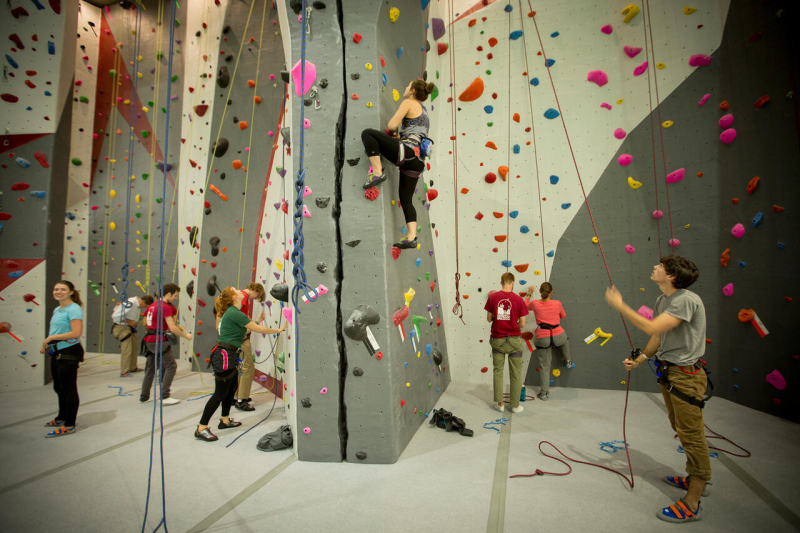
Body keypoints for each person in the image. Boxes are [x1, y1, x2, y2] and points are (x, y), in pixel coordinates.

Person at [605, 256, 709, 524]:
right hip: (670, 372)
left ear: (671, 276)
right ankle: (692, 479)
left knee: (692, 436)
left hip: (685, 377)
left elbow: (651, 326)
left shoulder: (686, 299)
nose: (655, 267)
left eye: (660, 266)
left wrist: (620, 306)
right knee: (680, 427)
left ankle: (693, 502)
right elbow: (657, 335)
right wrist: (640, 359)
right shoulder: (664, 300)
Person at [195, 287, 287, 442]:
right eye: (235, 290)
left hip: (229, 354)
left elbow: (245, 329)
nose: (239, 290)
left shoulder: (233, 313)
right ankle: (201, 427)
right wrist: (279, 329)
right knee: (219, 393)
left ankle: (225, 420)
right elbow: (256, 328)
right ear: (233, 297)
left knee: (230, 389)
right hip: (224, 355)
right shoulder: (234, 312)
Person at [360, 78, 434, 249]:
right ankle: (411, 237)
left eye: (408, 85)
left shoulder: (409, 102)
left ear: (413, 90)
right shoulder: (425, 114)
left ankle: (378, 172)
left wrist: (394, 135)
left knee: (368, 134)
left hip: (407, 153)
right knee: (406, 199)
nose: (406, 87)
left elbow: (392, 124)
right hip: (418, 161)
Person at [40, 281, 84, 437]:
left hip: (69, 352)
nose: (58, 291)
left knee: (68, 389)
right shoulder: (58, 309)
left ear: (71, 292)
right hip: (56, 351)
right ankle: (61, 417)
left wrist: (50, 337)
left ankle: (69, 424)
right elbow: (58, 330)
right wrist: (48, 343)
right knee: (58, 388)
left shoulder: (74, 309)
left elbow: (76, 332)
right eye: (56, 289)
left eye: (63, 289)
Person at [140, 283, 192, 406]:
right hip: (158, 341)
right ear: (168, 294)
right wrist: (186, 336)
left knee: (151, 369)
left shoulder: (152, 306)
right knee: (171, 366)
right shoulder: (165, 307)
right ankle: (164, 396)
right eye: (174, 296)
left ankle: (144, 395)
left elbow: (147, 323)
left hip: (149, 339)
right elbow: (172, 328)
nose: (175, 298)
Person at [484, 272, 528, 413]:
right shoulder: (519, 300)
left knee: (498, 371)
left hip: (498, 340)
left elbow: (489, 319)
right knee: (516, 374)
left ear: (501, 282)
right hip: (514, 341)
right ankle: (515, 406)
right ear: (513, 282)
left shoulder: (493, 298)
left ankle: (500, 404)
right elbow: (522, 323)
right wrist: (513, 324)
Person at [524, 283, 573, 401]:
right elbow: (563, 316)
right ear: (551, 292)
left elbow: (524, 306)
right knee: (564, 338)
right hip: (558, 335)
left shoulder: (535, 303)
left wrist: (529, 293)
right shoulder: (557, 303)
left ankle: (544, 393)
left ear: (540, 291)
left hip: (543, 338)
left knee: (545, 366)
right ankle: (568, 361)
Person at [232, 282, 266, 412]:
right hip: (240, 337)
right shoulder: (243, 297)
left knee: (241, 368)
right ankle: (242, 400)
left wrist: (256, 321)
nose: (256, 298)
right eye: (257, 295)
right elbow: (241, 320)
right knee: (248, 368)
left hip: (237, 336)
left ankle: (237, 396)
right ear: (255, 290)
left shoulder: (238, 295)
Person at [111, 295, 154, 376]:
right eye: (145, 306)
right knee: (127, 348)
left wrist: (144, 314)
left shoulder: (137, 305)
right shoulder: (130, 303)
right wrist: (129, 321)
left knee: (134, 347)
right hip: (121, 327)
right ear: (142, 302)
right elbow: (115, 316)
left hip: (129, 328)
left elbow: (132, 313)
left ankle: (132, 367)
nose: (144, 307)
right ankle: (124, 371)